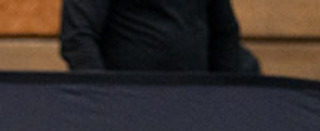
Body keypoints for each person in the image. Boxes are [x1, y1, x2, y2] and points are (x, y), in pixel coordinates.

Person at [60, 0, 255, 73]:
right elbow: (78, 39)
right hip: (128, 106)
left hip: (195, 103)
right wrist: (105, 99)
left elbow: (224, 33)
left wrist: (227, 96)